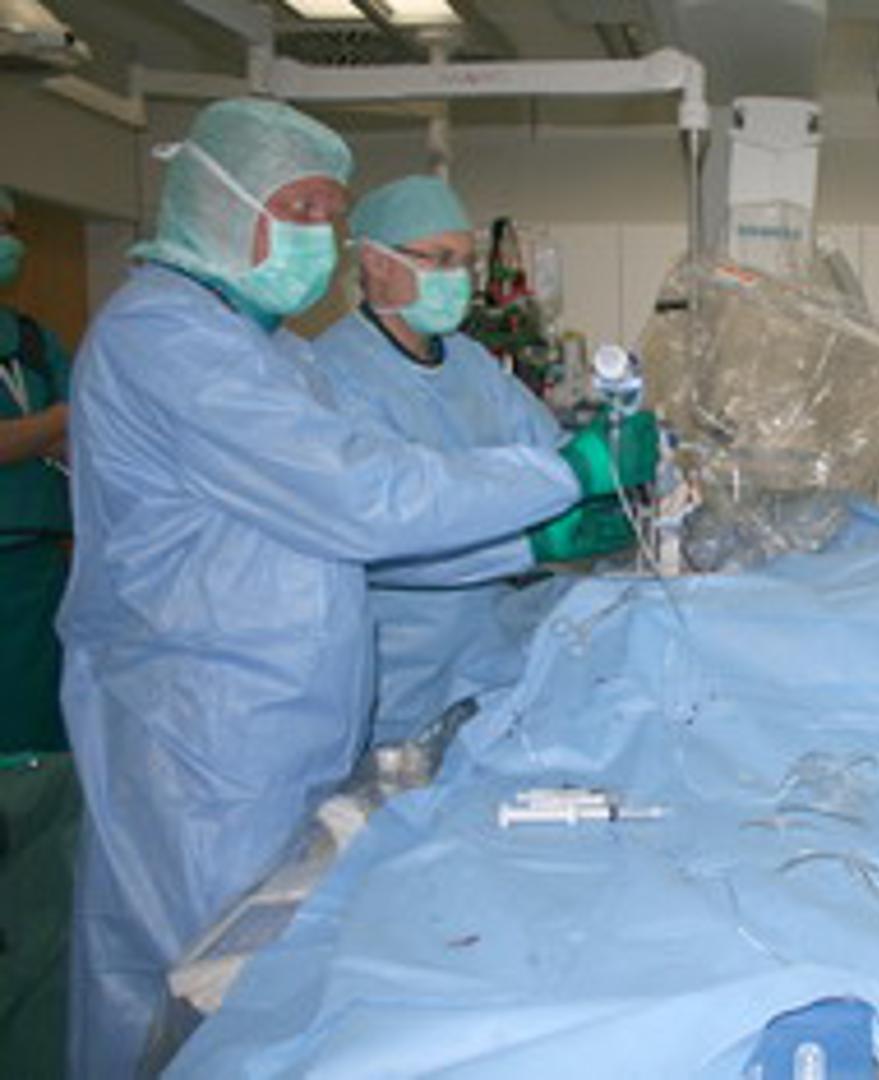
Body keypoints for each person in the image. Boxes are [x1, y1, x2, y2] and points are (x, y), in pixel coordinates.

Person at [58, 98, 656, 1076]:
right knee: (182, 987)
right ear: (217, 203)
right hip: (198, 728)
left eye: (329, 213)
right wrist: (562, 476)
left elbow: (367, 542)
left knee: (260, 979)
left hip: (289, 716)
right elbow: (361, 494)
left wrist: (535, 537)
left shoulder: (275, 353)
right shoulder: (164, 336)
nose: (320, 233)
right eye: (299, 207)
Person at [314, 174, 632, 744]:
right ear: (376, 262)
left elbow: (545, 455)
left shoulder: (470, 363)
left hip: (490, 653)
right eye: (440, 260)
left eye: (465, 263)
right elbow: (387, 536)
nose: (457, 279)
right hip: (399, 675)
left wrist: (608, 474)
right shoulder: (334, 375)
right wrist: (533, 542)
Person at [0, 186, 73, 754]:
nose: (6, 242)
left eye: (8, 229)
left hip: (38, 564)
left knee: (39, 731)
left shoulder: (32, 340)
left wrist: (45, 430)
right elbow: (71, 418)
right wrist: (56, 419)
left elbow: (83, 441)